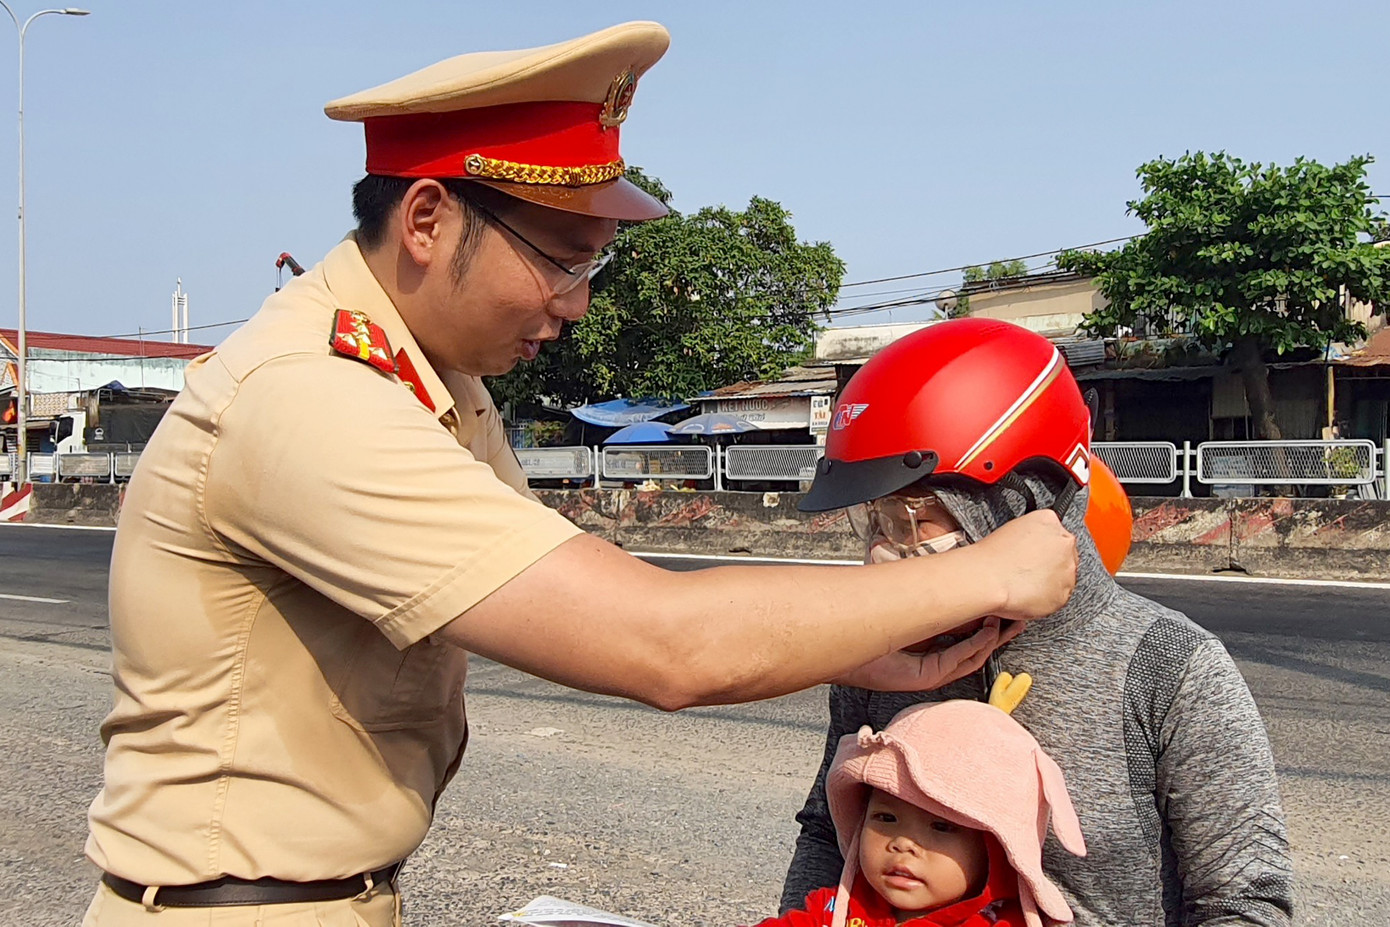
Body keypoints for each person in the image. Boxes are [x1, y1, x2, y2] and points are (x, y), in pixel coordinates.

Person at [81, 23, 1079, 927]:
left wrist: (865, 651)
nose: (576, 305)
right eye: (563, 260)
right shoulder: (310, 398)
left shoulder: (440, 381)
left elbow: (569, 581)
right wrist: (986, 572)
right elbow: (659, 642)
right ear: (426, 220)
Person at [782, 319, 1293, 926]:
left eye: (912, 517)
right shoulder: (884, 655)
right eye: (873, 519)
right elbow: (828, 835)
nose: (884, 548)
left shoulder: (1168, 668)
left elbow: (1243, 900)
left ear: (1024, 499)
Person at [756, 676, 1086, 927]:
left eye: (941, 826)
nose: (903, 843)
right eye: (885, 818)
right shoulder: (834, 910)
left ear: (994, 849)